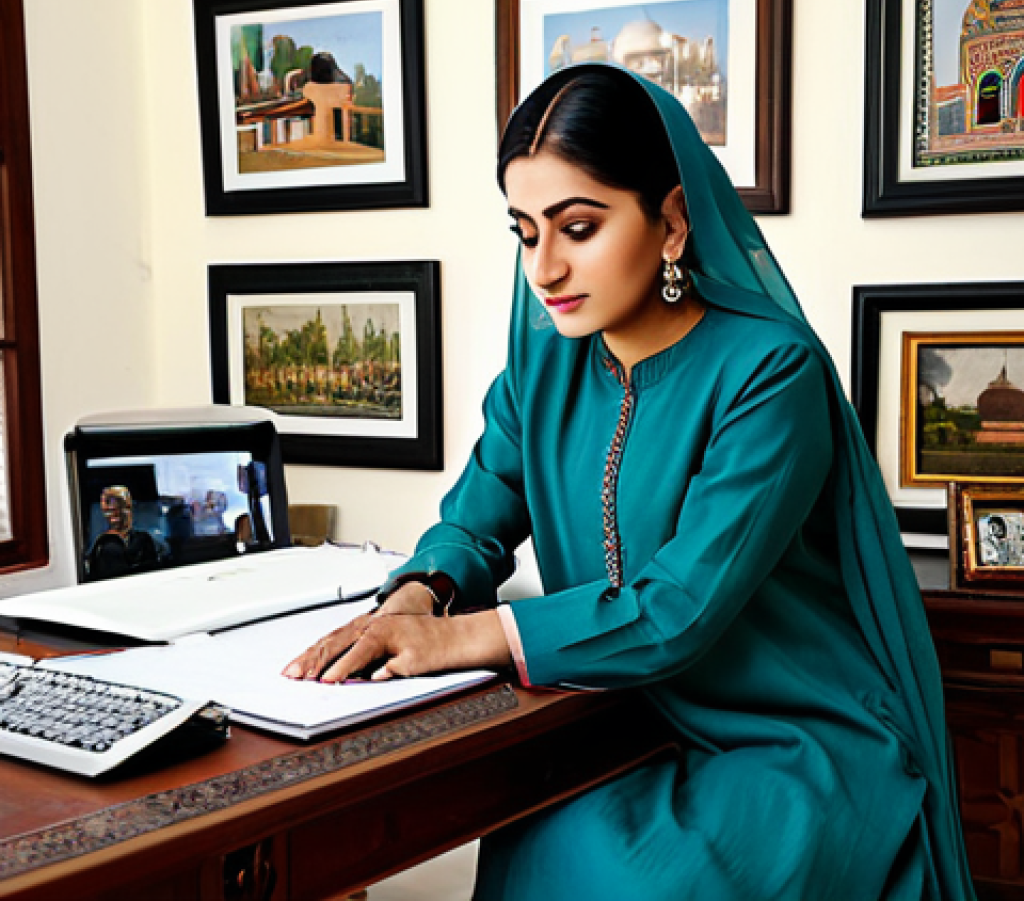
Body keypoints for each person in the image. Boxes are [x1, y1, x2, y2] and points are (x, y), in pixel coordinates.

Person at [283, 63, 976, 900]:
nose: (544, 269)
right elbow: (473, 523)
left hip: (790, 739)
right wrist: (416, 600)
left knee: (618, 872)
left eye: (578, 227)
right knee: (530, 824)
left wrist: (463, 637)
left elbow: (677, 607)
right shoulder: (541, 374)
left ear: (672, 221)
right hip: (620, 717)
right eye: (525, 232)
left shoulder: (769, 374)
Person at [86, 485, 169, 580]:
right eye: (112, 510)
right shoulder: (109, 546)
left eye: (126, 507)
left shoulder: (142, 539)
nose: (125, 512)